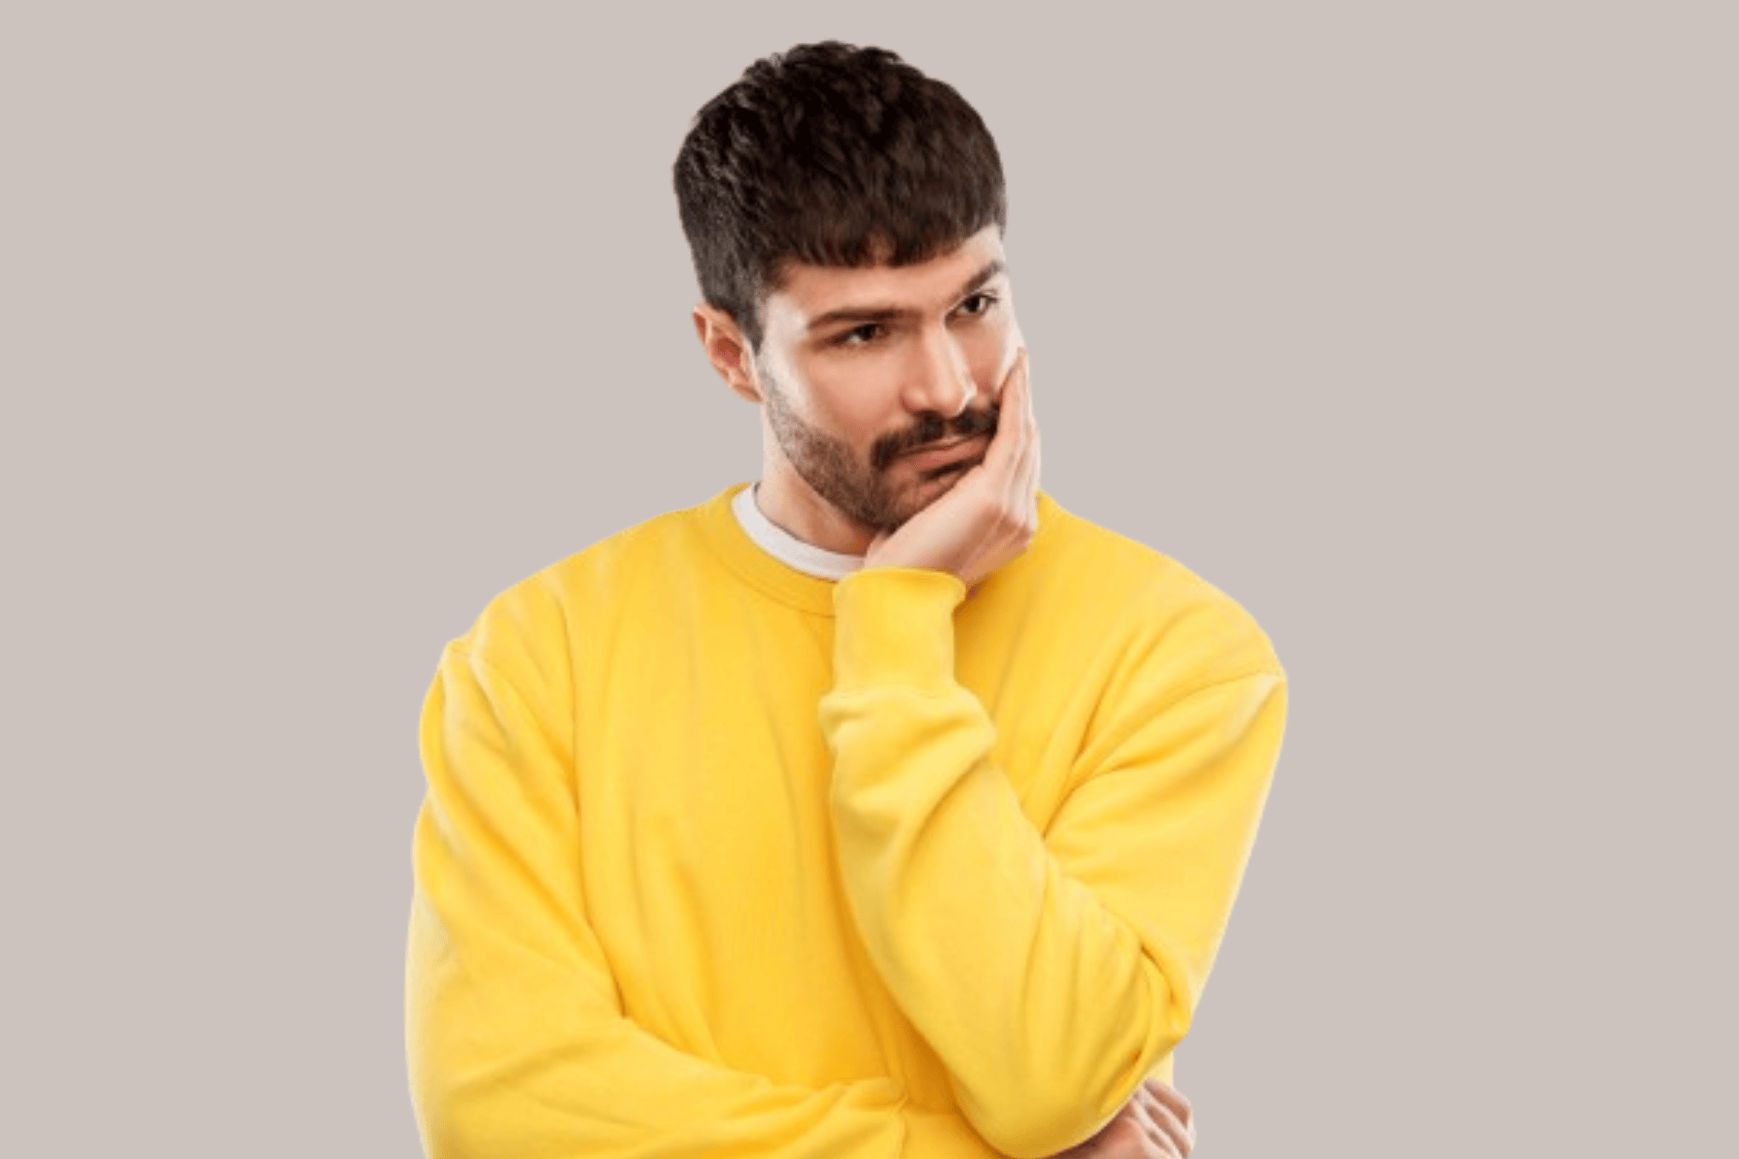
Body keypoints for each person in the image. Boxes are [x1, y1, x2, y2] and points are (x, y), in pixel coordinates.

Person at [405, 40, 1285, 1159]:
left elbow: (1054, 1078)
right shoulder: (538, 655)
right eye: (865, 332)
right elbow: (496, 1106)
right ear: (731, 353)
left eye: (974, 302)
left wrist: (895, 626)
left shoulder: (1178, 653)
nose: (948, 386)